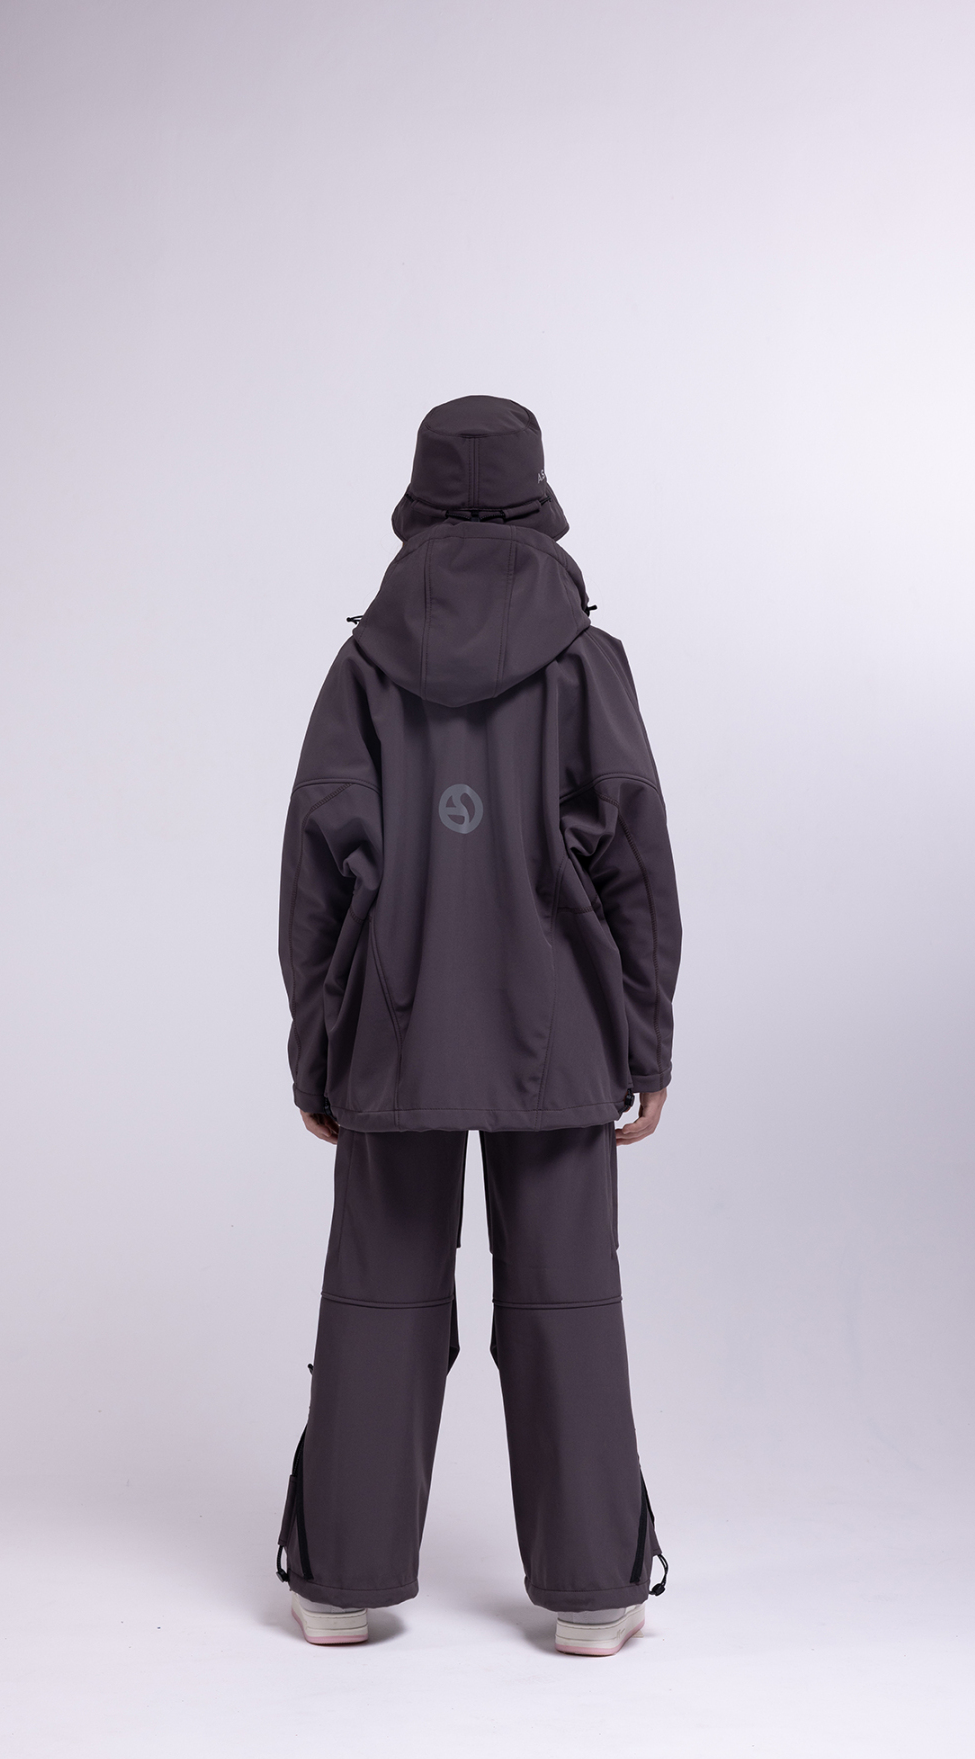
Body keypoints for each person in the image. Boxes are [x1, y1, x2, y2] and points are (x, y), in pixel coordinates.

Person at [275, 395, 681, 1657]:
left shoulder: (364, 665)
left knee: (378, 1294)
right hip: (562, 1030)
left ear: (418, 494)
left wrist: (319, 1046)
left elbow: (317, 865)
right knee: (566, 1298)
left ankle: (338, 1585)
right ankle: (594, 1595)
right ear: (537, 492)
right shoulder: (586, 660)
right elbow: (635, 858)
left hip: (392, 1029)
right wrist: (644, 1039)